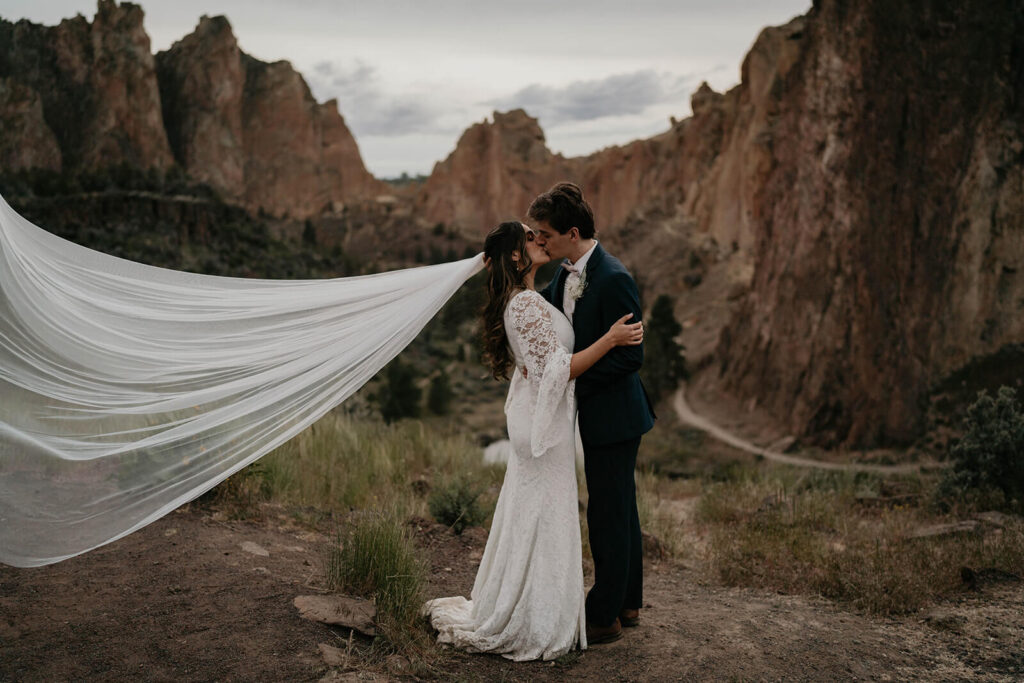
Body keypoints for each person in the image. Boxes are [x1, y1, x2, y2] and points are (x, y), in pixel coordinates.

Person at [423, 220, 643, 661]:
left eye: (539, 233)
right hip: (542, 426)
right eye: (529, 237)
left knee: (539, 509)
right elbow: (558, 369)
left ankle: (536, 604)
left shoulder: (531, 298)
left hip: (543, 417)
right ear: (516, 256)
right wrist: (612, 338)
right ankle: (531, 616)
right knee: (542, 510)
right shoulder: (523, 304)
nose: (539, 239)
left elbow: (542, 356)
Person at [530, 182, 656, 645]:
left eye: (546, 234)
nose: (541, 241)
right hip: (599, 413)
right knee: (621, 507)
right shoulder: (567, 273)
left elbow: (631, 357)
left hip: (616, 416)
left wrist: (572, 380)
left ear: (573, 231)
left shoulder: (613, 277)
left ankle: (604, 615)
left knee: (606, 512)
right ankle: (629, 601)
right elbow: (542, 314)